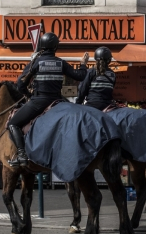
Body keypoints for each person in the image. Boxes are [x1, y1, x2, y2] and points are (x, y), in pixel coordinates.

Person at [7, 32, 89, 167]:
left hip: (38, 102)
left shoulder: (36, 62)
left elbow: (20, 84)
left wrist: (28, 94)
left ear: (42, 46)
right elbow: (80, 76)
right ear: (55, 47)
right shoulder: (60, 63)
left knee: (13, 124)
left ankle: (22, 155)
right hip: (58, 101)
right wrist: (83, 64)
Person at [76, 46, 116, 111]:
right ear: (109, 60)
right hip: (108, 106)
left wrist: (78, 103)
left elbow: (82, 89)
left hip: (92, 105)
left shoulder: (90, 72)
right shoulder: (113, 74)